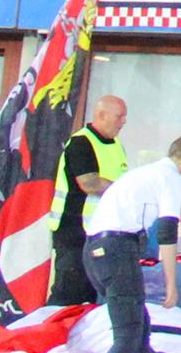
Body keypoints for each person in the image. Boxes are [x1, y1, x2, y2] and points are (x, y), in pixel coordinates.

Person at [82, 125, 181, 353]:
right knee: (129, 336)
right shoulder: (172, 179)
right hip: (117, 250)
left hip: (94, 250)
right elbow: (167, 233)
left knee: (139, 330)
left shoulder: (145, 173)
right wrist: (170, 284)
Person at [49, 93, 129, 305]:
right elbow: (90, 183)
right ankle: (52, 325)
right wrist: (124, 189)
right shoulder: (82, 142)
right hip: (75, 231)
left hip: (100, 231)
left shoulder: (115, 144)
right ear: (101, 115)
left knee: (90, 295)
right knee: (68, 293)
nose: (123, 122)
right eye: (119, 116)